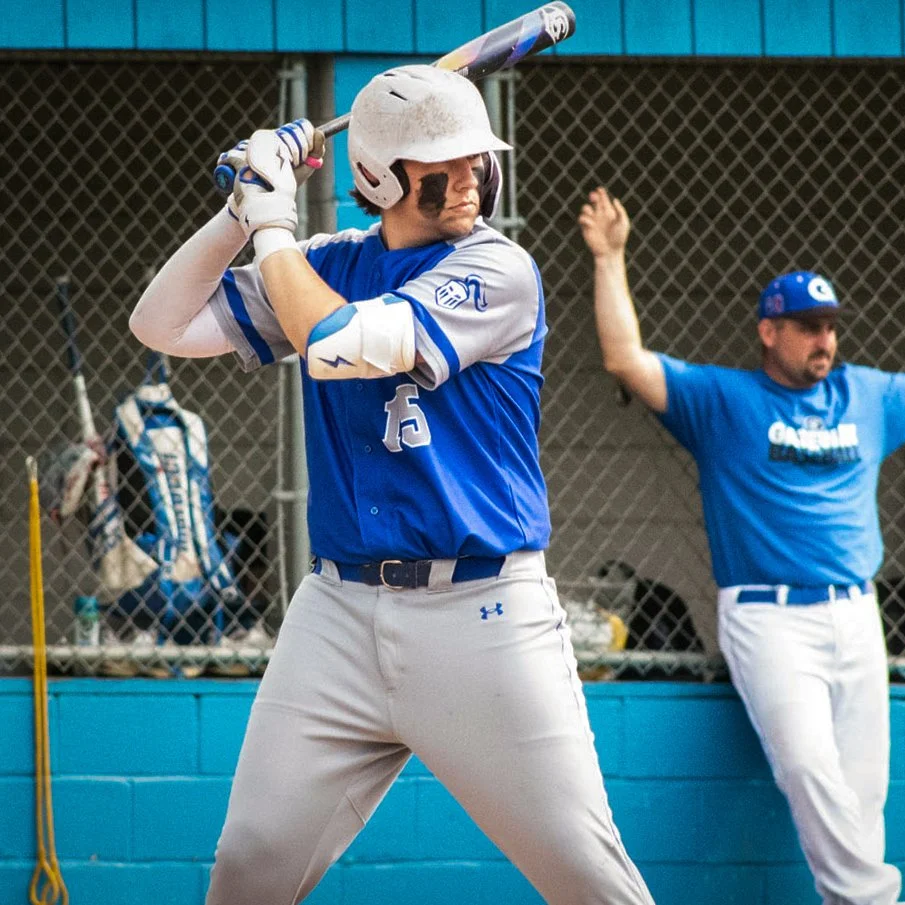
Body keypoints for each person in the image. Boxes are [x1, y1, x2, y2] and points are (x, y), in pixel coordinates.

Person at [130, 67, 655, 905]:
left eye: (479, 158)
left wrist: (271, 223)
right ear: (378, 177)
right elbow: (160, 325)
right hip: (335, 613)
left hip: (481, 615)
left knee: (587, 876)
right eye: (442, 163)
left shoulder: (499, 267)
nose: (471, 178)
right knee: (248, 867)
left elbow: (339, 343)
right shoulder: (328, 261)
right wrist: (237, 218)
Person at [578, 185, 904, 905]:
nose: (823, 339)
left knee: (862, 786)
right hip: (768, 614)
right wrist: (609, 257)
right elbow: (626, 359)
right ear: (769, 331)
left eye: (830, 326)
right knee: (810, 771)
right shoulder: (724, 401)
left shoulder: (870, 394)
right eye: (807, 326)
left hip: (855, 612)